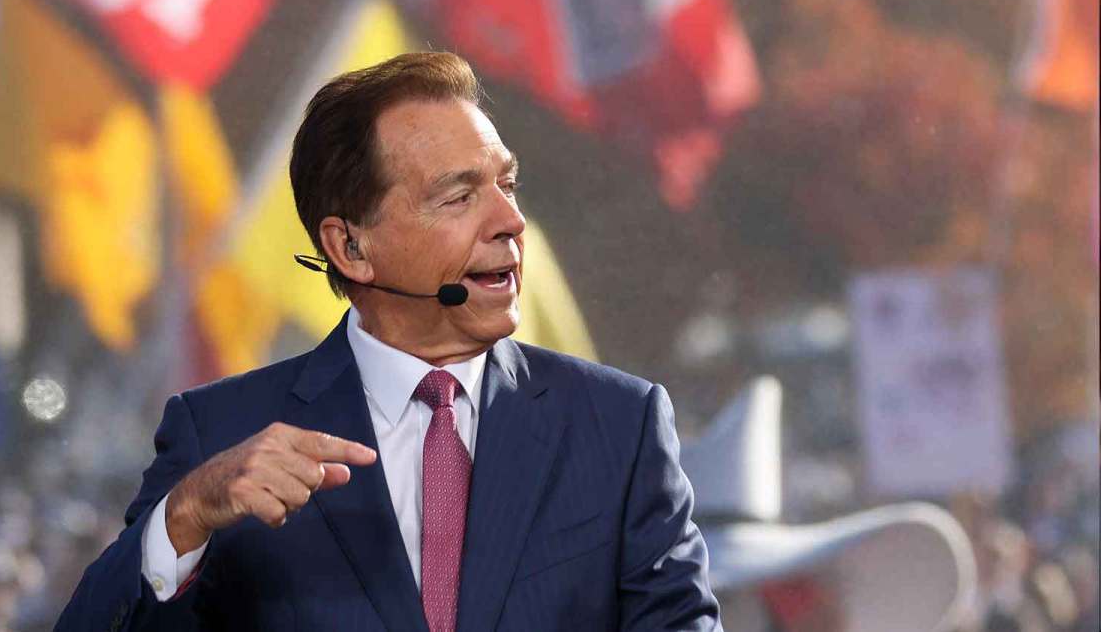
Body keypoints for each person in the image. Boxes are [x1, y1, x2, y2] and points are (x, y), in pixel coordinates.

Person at [55, 52, 721, 632]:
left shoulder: (618, 426)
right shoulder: (220, 436)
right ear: (351, 246)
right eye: (459, 197)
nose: (511, 222)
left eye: (506, 184)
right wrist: (189, 512)